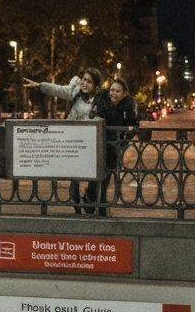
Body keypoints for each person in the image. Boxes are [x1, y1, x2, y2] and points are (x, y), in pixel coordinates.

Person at [24, 67, 103, 213]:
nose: (85, 83)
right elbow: (58, 89)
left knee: (92, 176)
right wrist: (40, 85)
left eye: (89, 82)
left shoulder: (99, 101)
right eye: (84, 79)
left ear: (96, 85)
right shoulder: (75, 92)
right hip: (73, 141)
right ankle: (76, 207)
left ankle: (89, 202)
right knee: (74, 178)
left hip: (89, 144)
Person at [86, 77, 139, 216]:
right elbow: (92, 115)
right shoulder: (102, 100)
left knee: (106, 176)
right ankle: (91, 200)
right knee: (96, 175)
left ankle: (99, 204)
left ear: (124, 93)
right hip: (99, 143)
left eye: (117, 91)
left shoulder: (127, 106)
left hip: (113, 147)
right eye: (112, 90)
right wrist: (93, 113)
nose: (113, 93)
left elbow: (133, 125)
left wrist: (126, 137)